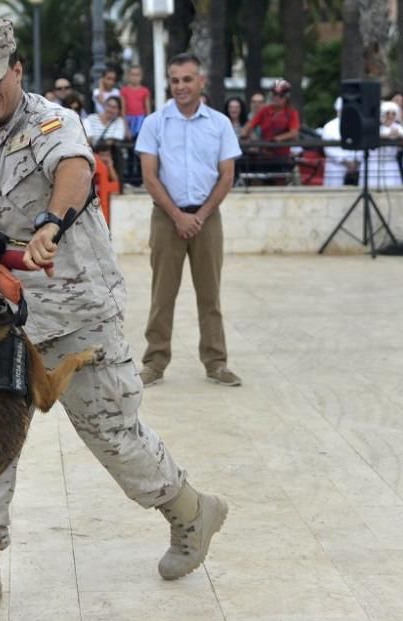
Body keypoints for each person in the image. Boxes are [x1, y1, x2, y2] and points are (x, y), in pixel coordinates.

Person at [0, 17, 228, 600]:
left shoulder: (53, 122)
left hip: (77, 311)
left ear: (15, 69)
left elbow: (74, 171)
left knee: (113, 434)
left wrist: (51, 222)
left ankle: (191, 511)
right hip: (0, 324)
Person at [135, 52, 242, 388]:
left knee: (210, 295)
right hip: (167, 218)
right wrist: (179, 216)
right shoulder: (155, 123)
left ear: (201, 81)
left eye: (187, 79)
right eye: (175, 80)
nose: (180, 86)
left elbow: (226, 177)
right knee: (162, 294)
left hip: (207, 218)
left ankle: (216, 363)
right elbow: (150, 177)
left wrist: (198, 217)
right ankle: (154, 362)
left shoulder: (220, 124)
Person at [241, 78, 299, 165]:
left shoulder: (291, 113)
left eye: (281, 95)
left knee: (287, 176)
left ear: (286, 97)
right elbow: (250, 124)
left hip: (283, 156)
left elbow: (294, 132)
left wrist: (277, 139)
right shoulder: (264, 110)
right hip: (263, 155)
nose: (277, 98)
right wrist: (244, 134)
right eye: (274, 94)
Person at [360, 101, 403, 188]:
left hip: (390, 164)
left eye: (393, 114)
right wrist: (387, 136)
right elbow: (369, 134)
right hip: (373, 164)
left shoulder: (397, 127)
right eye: (388, 113)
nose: (390, 116)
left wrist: (399, 134)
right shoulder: (375, 125)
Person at [320, 97, 359, 187]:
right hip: (335, 167)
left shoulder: (357, 124)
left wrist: (356, 161)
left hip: (356, 168)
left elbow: (360, 144)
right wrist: (345, 161)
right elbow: (328, 149)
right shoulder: (329, 127)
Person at [120, 64, 152, 136]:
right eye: (132, 75)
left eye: (137, 75)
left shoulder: (145, 91)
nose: (135, 77)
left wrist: (149, 126)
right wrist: (125, 127)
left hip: (141, 120)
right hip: (129, 120)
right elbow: (123, 110)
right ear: (128, 76)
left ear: (141, 76)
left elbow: (148, 110)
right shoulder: (124, 91)